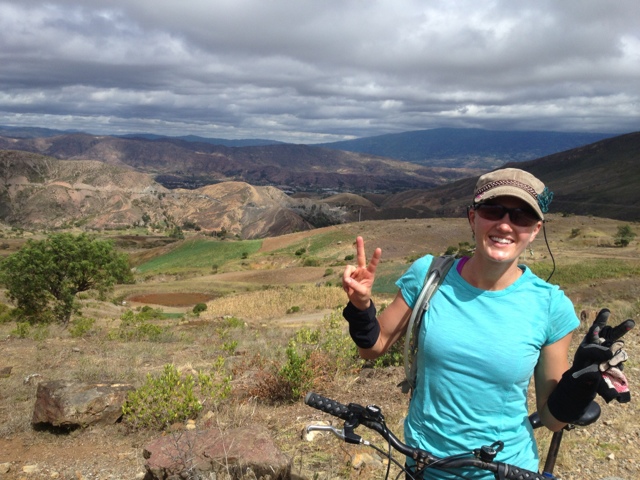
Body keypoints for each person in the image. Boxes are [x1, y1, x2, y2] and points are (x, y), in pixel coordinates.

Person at [341, 168, 634, 479]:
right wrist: (361, 307)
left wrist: (580, 383)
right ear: (473, 217)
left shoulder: (550, 306)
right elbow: (372, 348)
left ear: (535, 230)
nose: (505, 224)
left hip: (503, 470)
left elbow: (552, 419)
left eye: (521, 217)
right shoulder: (430, 275)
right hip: (423, 464)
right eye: (493, 210)